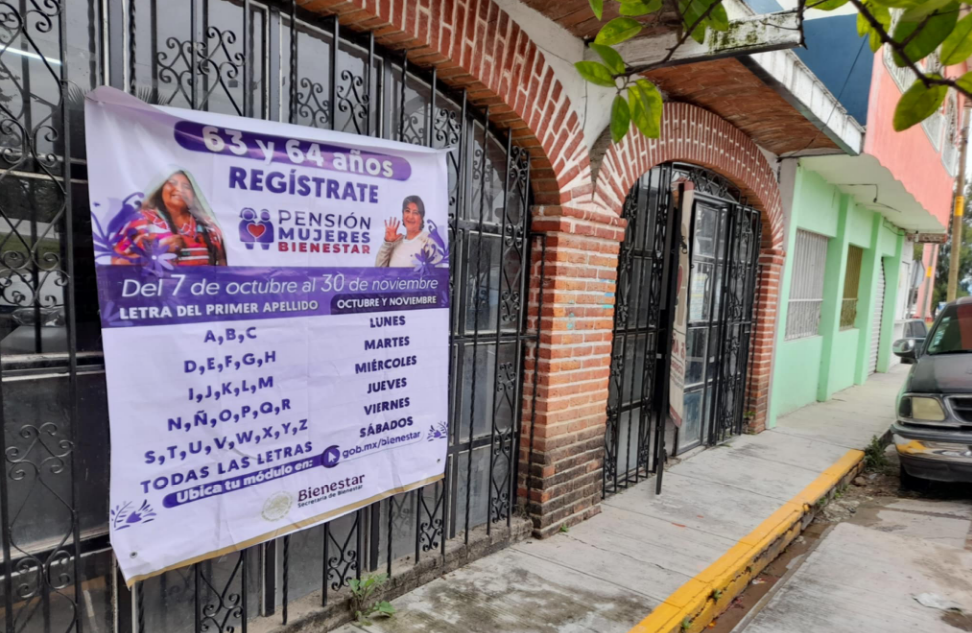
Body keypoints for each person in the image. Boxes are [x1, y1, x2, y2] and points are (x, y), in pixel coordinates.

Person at [113, 170, 227, 266]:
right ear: (160, 189)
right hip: (154, 291)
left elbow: (222, 265)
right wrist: (159, 251)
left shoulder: (207, 226)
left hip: (200, 290)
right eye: (172, 183)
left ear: (194, 194)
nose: (179, 189)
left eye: (186, 186)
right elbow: (115, 262)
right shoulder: (140, 221)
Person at [375, 195, 442, 268]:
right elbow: (379, 272)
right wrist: (387, 243)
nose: (410, 216)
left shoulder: (428, 240)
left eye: (415, 212)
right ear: (403, 213)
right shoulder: (396, 242)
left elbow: (436, 274)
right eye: (407, 211)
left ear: (421, 217)